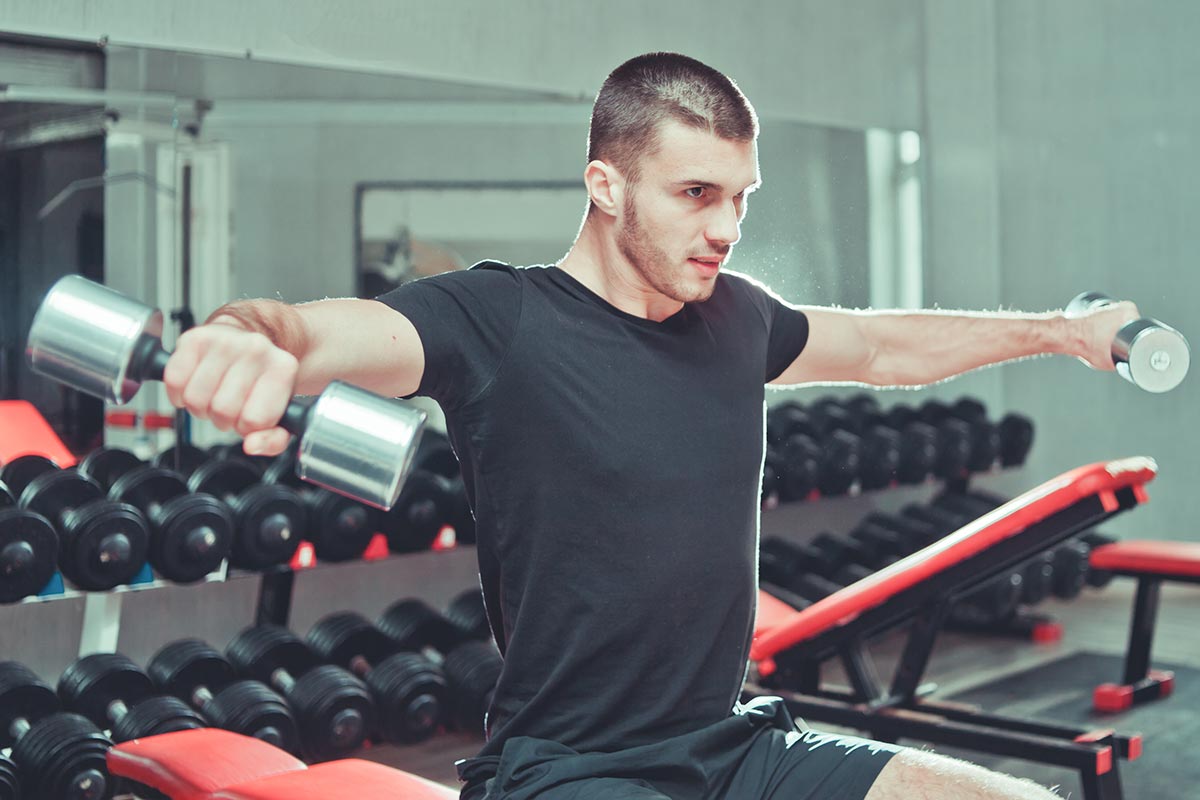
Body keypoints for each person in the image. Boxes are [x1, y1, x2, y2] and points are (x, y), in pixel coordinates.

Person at [164, 52, 1135, 800]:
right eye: (695, 194)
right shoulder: (499, 321)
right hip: (570, 768)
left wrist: (1062, 332)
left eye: (740, 197)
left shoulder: (739, 318)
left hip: (732, 744)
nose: (725, 227)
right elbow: (309, 328)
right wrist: (245, 335)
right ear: (605, 184)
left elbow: (883, 346)